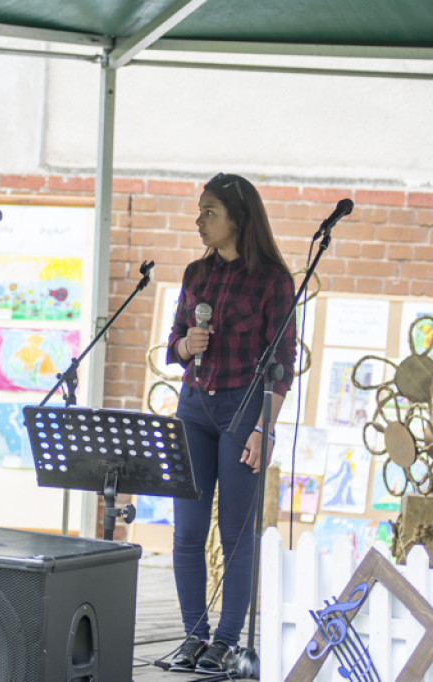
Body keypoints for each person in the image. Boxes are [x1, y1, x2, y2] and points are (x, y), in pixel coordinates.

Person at [165, 172, 296, 673]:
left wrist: (265, 429)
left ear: (238, 220)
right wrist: (184, 346)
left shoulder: (274, 281)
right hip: (194, 406)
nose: (199, 222)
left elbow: (282, 364)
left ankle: (226, 641)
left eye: (209, 213)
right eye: (199, 212)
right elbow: (175, 341)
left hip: (245, 409)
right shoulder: (195, 273)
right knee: (187, 531)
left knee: (236, 533)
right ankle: (193, 637)